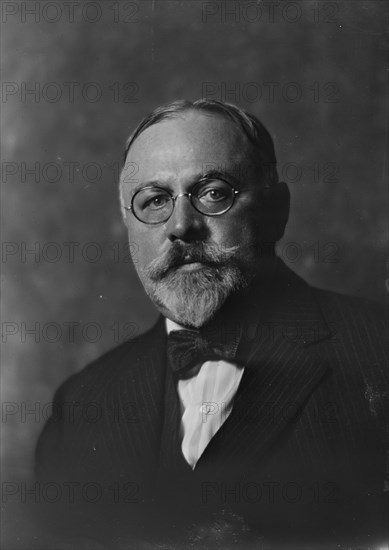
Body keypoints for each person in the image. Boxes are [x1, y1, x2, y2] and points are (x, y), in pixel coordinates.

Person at [35, 99, 388, 548]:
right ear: (127, 224)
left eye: (213, 193)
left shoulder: (379, 352)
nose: (181, 225)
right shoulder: (81, 405)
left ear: (277, 210)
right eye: (155, 200)